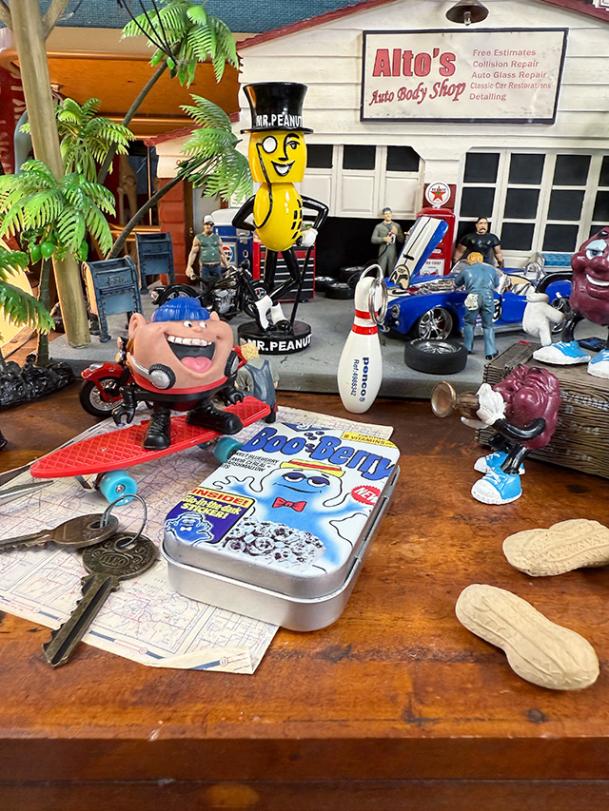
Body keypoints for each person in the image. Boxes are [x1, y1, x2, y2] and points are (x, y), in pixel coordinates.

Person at [452, 251, 504, 360]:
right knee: (488, 325)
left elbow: (456, 284)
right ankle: (490, 352)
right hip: (488, 298)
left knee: (469, 323)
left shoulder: (466, 270)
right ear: (481, 260)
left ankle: (467, 348)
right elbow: (496, 284)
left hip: (473, 297)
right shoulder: (491, 270)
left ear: (469, 260)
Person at [186, 215, 229, 287]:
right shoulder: (198, 238)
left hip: (217, 267)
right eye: (207, 224)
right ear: (203, 225)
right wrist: (189, 266)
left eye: (211, 224)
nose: (209, 226)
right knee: (205, 289)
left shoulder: (217, 238)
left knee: (218, 288)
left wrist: (227, 266)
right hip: (205, 268)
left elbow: (222, 253)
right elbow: (193, 253)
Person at [371, 207, 405, 276]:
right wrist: (384, 239)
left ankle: (391, 283)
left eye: (389, 213)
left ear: (391, 214)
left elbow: (401, 240)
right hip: (383, 251)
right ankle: (379, 282)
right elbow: (373, 239)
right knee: (380, 270)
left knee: (392, 271)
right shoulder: (379, 226)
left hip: (392, 252)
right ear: (383, 215)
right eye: (386, 214)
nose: (388, 215)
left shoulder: (396, 226)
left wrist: (397, 234)